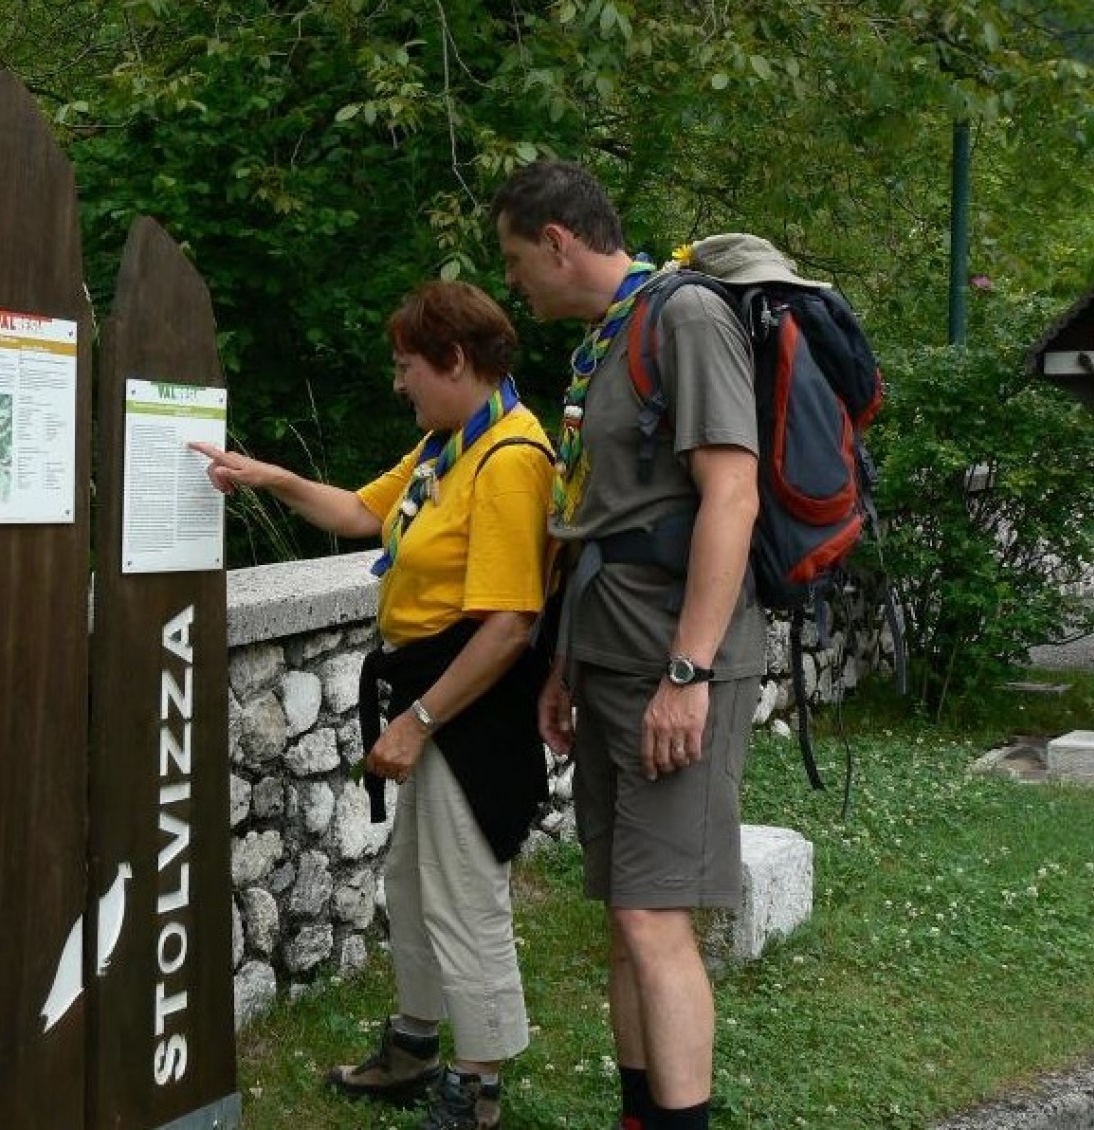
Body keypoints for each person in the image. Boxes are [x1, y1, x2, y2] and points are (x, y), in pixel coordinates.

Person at [190, 279, 554, 1130]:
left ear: (454, 361)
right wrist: (268, 475)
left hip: (471, 707)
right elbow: (360, 511)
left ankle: (479, 1085)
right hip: (430, 691)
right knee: (413, 881)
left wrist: (418, 722)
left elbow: (509, 626)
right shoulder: (447, 447)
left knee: (464, 891)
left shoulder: (509, 459)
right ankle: (416, 1045)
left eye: (407, 367)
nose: (399, 384)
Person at [491, 159, 765, 1130]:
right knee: (624, 911)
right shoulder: (609, 341)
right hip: (609, 655)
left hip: (671, 661)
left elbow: (732, 492)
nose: (517, 282)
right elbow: (602, 517)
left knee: (655, 918)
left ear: (559, 241)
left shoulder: (682, 317)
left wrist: (687, 674)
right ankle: (640, 1113)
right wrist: (567, 661)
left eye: (520, 259)